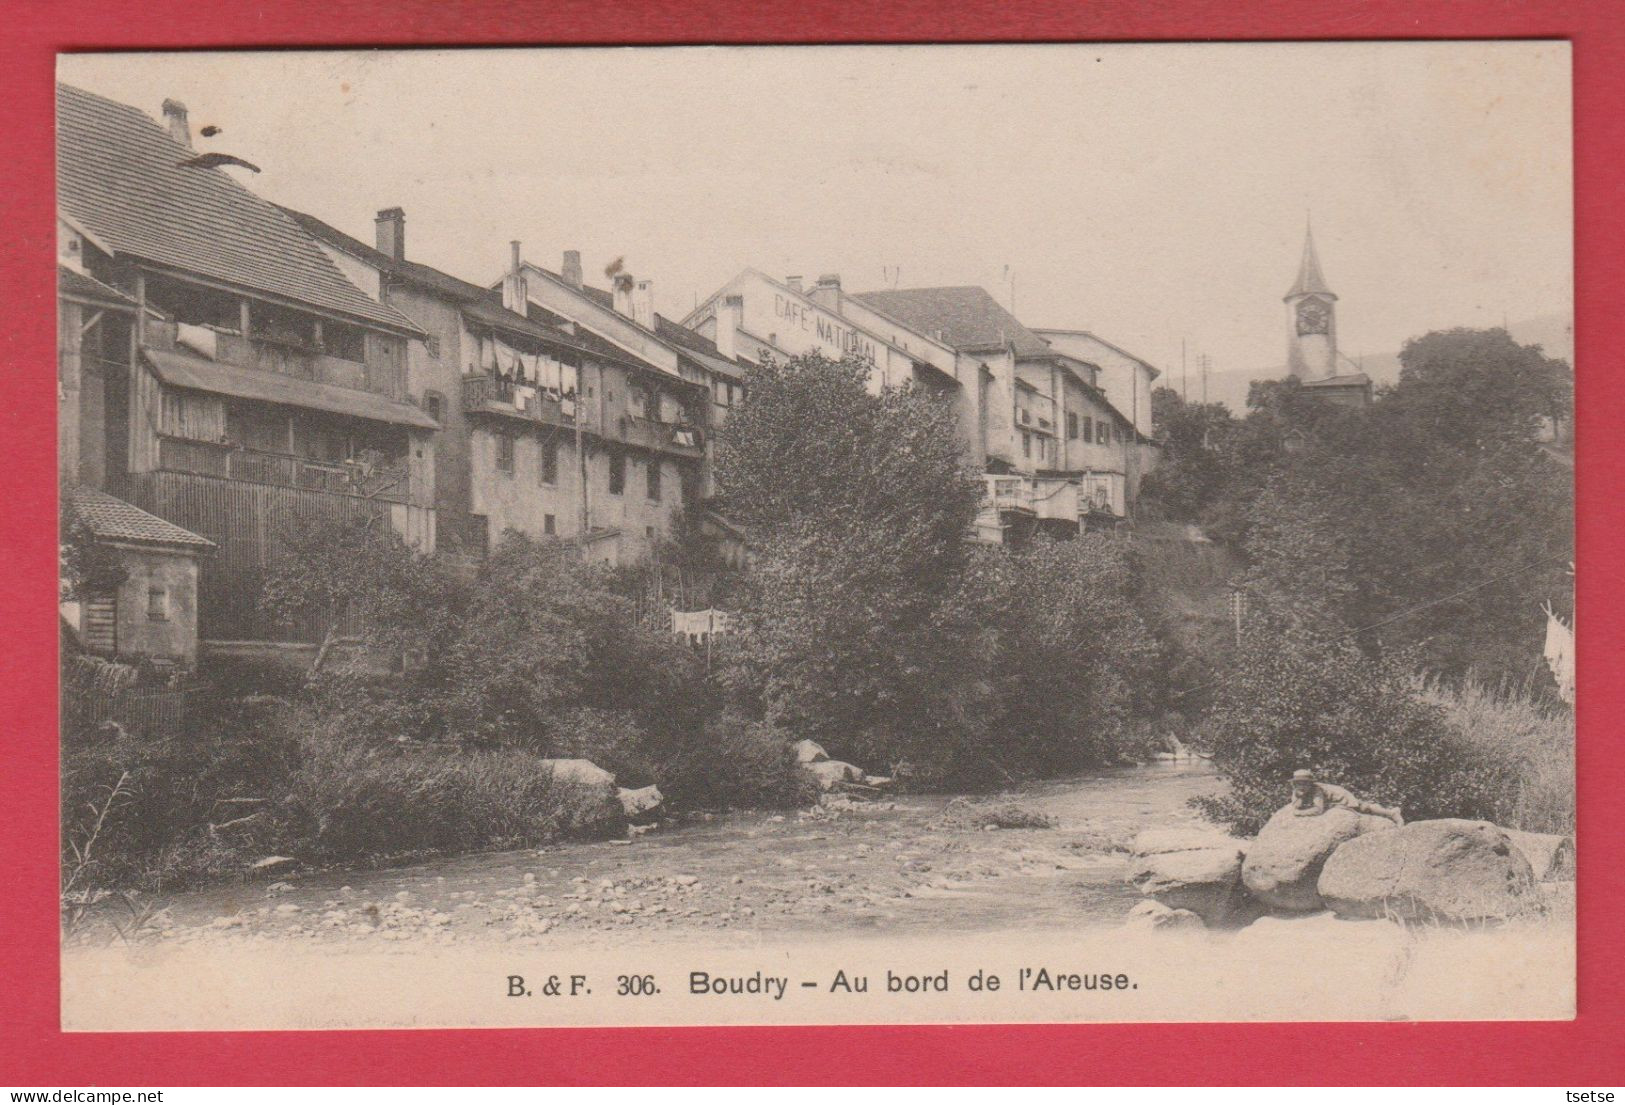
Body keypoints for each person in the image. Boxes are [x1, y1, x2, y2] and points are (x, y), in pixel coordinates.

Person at [1288, 768, 1404, 824]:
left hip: (1339, 795)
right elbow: (1296, 805)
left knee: (1362, 807)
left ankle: (1391, 813)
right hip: (1330, 798)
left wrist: (1301, 813)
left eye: (1305, 783)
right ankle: (1381, 809)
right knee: (1363, 807)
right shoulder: (1297, 791)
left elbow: (1318, 810)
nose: (1302, 786)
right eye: (1299, 783)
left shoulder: (1317, 790)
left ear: (1310, 783)